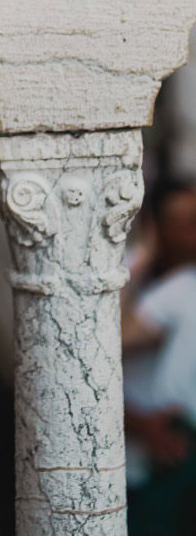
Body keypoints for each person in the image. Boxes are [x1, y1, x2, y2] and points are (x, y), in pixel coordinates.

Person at [124, 180, 196, 534]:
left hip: (171, 448)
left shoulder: (183, 287)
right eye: (188, 222)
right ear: (159, 229)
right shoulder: (131, 273)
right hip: (136, 456)